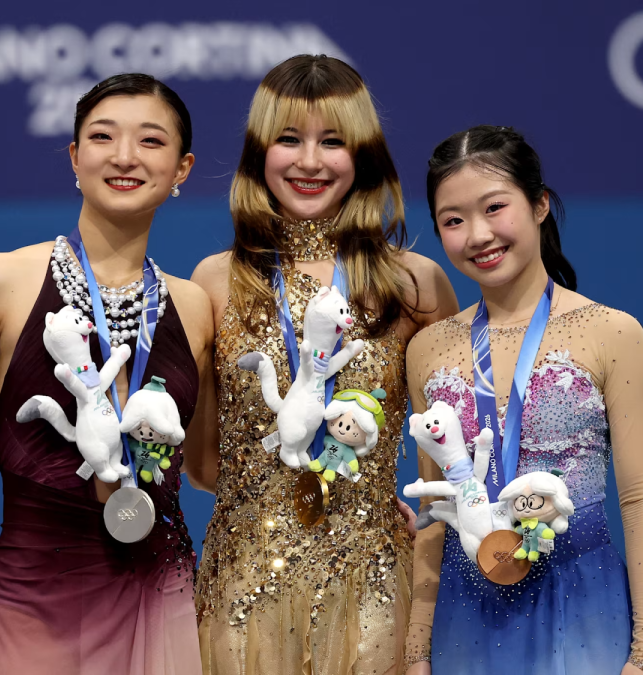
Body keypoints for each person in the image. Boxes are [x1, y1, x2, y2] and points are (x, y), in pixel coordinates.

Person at [0, 73, 213, 675]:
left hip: (161, 599)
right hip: (28, 602)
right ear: (76, 157)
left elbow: (208, 466)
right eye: (103, 137)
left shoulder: (194, 306)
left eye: (151, 141)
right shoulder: (3, 281)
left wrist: (348, 495)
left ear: (182, 169)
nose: (125, 156)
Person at [185, 54, 459, 674]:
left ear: (362, 153)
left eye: (332, 141)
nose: (310, 161)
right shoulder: (215, 283)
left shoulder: (414, 284)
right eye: (289, 139)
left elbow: (458, 445)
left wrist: (611, 394)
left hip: (376, 590)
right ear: (259, 151)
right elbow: (202, 464)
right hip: (243, 589)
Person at [403, 126, 643, 675]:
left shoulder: (613, 333)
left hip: (584, 602)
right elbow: (435, 515)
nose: (478, 234)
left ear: (540, 204)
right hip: (465, 609)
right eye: (453, 220)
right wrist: (416, 650)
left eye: (494, 207)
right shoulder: (427, 349)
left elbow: (642, 498)